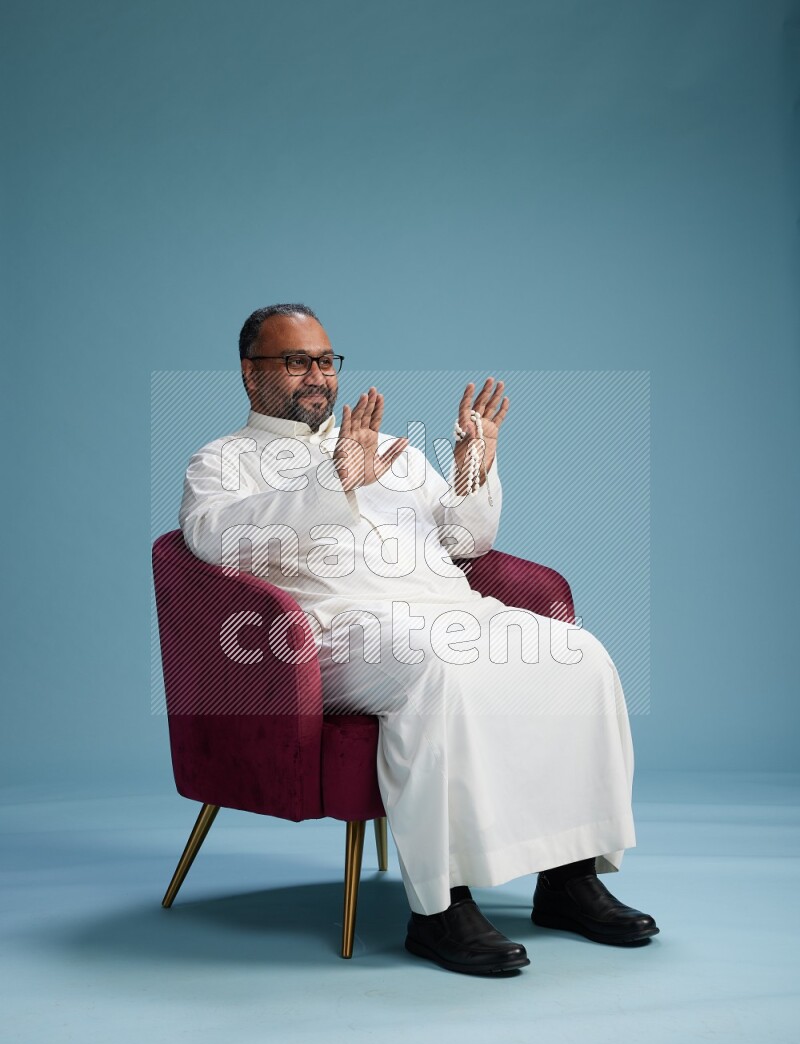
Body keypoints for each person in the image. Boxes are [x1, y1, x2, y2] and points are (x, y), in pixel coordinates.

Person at [179, 302, 659, 976]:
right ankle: (441, 909)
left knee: (580, 655)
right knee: (439, 668)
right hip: (335, 634)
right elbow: (218, 541)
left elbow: (467, 539)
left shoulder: (395, 456)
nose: (316, 375)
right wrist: (334, 481)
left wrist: (473, 468)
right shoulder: (221, 462)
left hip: (448, 609)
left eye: (324, 360)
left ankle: (569, 878)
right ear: (248, 372)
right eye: (295, 361)